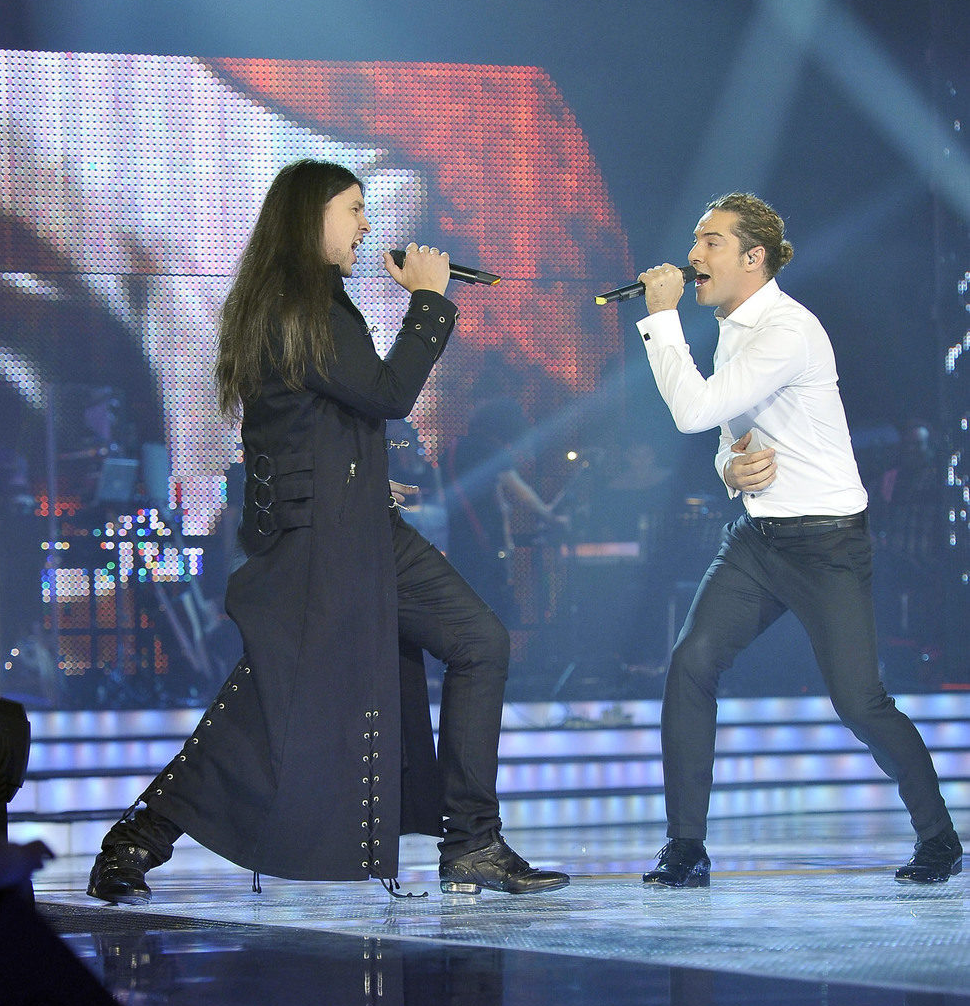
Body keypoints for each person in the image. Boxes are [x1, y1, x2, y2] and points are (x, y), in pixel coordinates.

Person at [87, 159, 569, 902]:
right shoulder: (295, 302)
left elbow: (320, 419)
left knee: (479, 641)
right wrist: (431, 304)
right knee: (267, 701)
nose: (367, 225)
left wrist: (368, 475)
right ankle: (138, 837)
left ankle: (472, 842)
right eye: (353, 208)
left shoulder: (309, 301)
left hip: (358, 529)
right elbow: (385, 392)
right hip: (321, 542)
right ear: (310, 216)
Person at [633, 192, 962, 888]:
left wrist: (660, 316)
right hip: (760, 539)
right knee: (691, 664)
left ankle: (940, 838)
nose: (694, 257)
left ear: (753, 258)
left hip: (828, 544)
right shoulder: (731, 325)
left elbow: (693, 410)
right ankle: (684, 847)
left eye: (710, 242)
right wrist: (730, 467)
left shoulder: (788, 329)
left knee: (859, 701)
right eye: (696, 241)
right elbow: (728, 430)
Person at [443, 397, 563, 625]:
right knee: (489, 608)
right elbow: (520, 492)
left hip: (457, 540)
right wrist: (550, 516)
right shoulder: (489, 449)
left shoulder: (455, 447)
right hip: (484, 542)